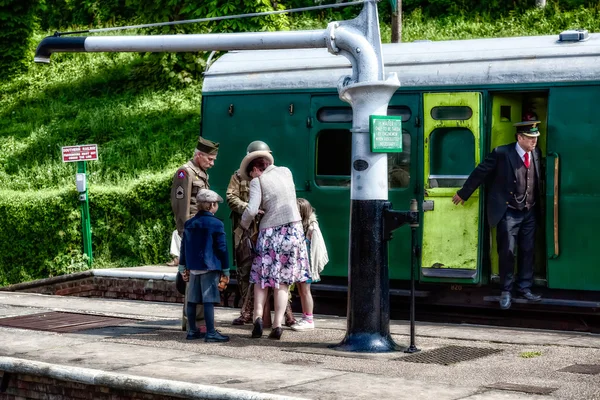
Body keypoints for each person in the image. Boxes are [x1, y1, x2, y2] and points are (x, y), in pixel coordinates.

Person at [452, 120, 544, 310]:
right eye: (530, 138)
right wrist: (464, 193)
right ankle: (506, 290)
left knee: (528, 250)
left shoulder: (535, 153)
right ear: (520, 138)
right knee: (507, 252)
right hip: (508, 211)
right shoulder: (501, 153)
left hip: (529, 211)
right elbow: (481, 172)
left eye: (535, 138)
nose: (534, 142)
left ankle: (525, 287)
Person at [238, 150, 310, 340]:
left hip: (270, 232)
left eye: (250, 174)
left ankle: (258, 318)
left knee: (262, 279)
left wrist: (243, 224)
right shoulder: (286, 172)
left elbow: (252, 209)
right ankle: (277, 324)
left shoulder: (257, 181)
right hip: (293, 231)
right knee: (283, 281)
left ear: (255, 169)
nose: (250, 178)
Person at [228, 141, 296, 328]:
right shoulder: (239, 176)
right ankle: (250, 313)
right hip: (250, 232)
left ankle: (285, 315)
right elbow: (231, 197)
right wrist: (248, 209)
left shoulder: (270, 177)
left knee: (268, 274)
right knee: (249, 272)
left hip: (264, 230)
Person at [171, 136, 219, 330]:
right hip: (193, 232)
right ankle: (192, 322)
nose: (212, 163)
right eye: (210, 158)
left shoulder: (201, 173)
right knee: (192, 277)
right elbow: (180, 205)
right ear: (199, 155)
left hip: (202, 231)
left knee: (201, 275)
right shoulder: (185, 173)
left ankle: (198, 321)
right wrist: (185, 231)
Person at [178, 189, 230, 342]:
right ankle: (211, 332)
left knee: (192, 300)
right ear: (212, 205)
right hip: (210, 266)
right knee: (208, 300)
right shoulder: (217, 224)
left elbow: (183, 247)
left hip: (193, 267)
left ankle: (192, 331)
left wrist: (182, 266)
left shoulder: (189, 223)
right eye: (216, 204)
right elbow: (222, 248)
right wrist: (226, 269)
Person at [291, 198, 329, 331]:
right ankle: (305, 317)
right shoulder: (303, 225)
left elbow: (314, 249)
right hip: (301, 266)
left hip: (306, 266)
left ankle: (309, 319)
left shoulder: (311, 228)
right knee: (302, 291)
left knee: (305, 291)